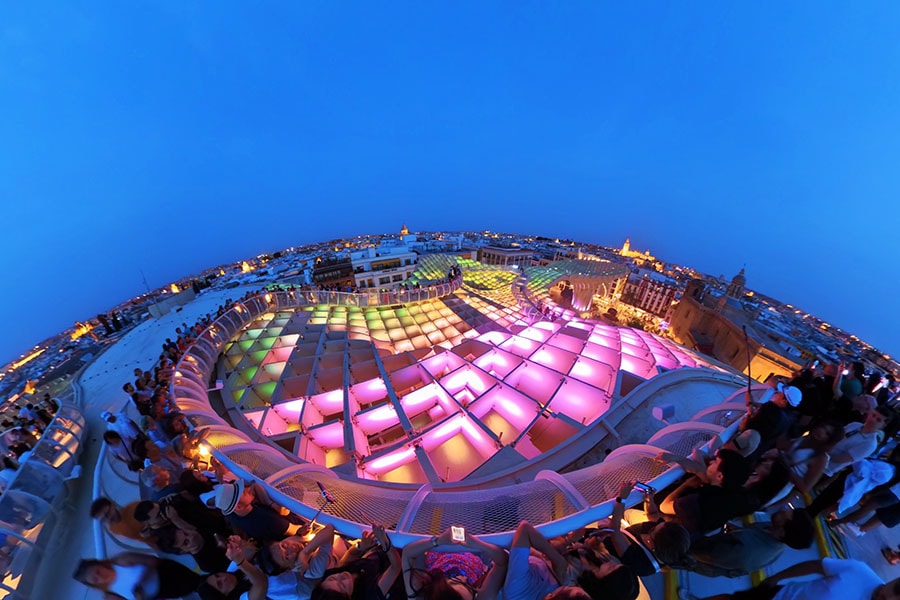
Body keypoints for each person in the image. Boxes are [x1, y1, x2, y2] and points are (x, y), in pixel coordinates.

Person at [686, 508, 815, 577]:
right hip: (716, 546)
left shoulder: (748, 550)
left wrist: (682, 549)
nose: (783, 510)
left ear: (783, 532)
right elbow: (750, 532)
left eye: (787, 515)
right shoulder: (774, 531)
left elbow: (706, 556)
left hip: (699, 557)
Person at [692, 558, 900, 600]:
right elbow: (816, 566)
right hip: (777, 596)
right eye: (895, 588)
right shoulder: (859, 570)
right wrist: (777, 577)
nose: (889, 596)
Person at [402, 526, 509, 600]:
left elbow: (407, 555)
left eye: (456, 581)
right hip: (472, 552)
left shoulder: (420, 597)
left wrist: (438, 541)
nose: (465, 578)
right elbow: (502, 562)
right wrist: (477, 544)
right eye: (469, 587)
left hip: (438, 550)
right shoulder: (483, 598)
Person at [310, 524, 401, 600]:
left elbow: (351, 554)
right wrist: (384, 541)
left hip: (380, 547)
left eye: (332, 579)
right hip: (401, 556)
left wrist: (362, 546)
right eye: (342, 585)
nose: (341, 576)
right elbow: (396, 566)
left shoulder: (334, 574)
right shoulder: (369, 595)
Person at [72, 551, 203, 599]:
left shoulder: (120, 560)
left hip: (167, 573)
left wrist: (141, 582)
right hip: (161, 593)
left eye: (98, 572)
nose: (100, 578)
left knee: (199, 583)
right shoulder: (110, 595)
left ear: (99, 564)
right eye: (95, 580)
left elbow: (153, 560)